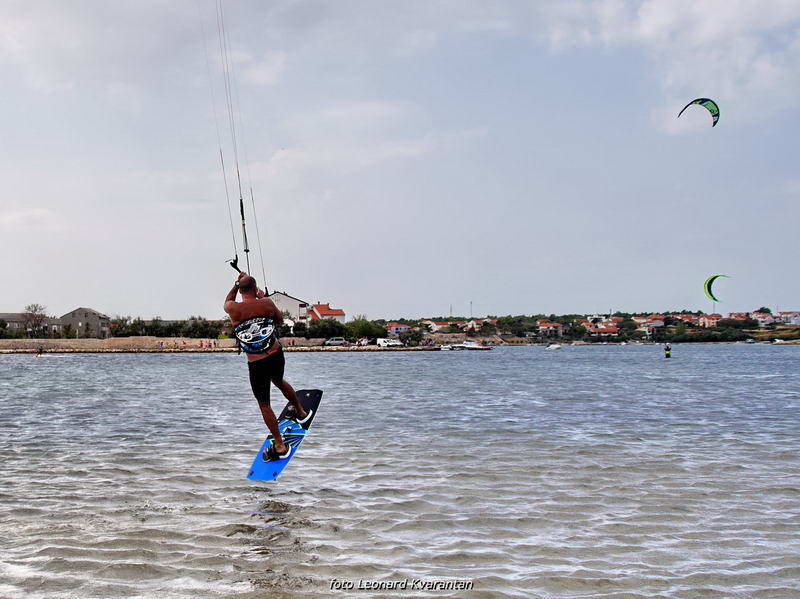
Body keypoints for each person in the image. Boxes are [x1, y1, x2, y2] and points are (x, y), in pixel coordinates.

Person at [224, 271, 310, 460]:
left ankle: (280, 445)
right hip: (276, 354)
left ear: (240, 291)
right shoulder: (267, 303)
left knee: (264, 404)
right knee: (279, 380)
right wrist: (263, 298)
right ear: (255, 289)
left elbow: (227, 299)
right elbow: (279, 320)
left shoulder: (233, 308)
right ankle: (301, 411)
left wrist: (236, 283)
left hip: (256, 363)